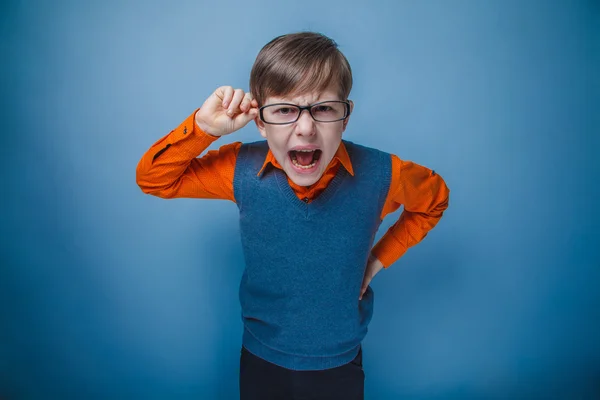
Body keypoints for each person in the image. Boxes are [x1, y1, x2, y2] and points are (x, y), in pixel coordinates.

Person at [136, 31, 450, 400]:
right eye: (284, 110)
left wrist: (377, 260)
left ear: (345, 117)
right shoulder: (240, 169)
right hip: (261, 357)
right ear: (260, 121)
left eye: (324, 108)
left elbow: (433, 200)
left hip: (340, 364)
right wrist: (204, 129)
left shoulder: (383, 174)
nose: (305, 127)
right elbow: (154, 179)